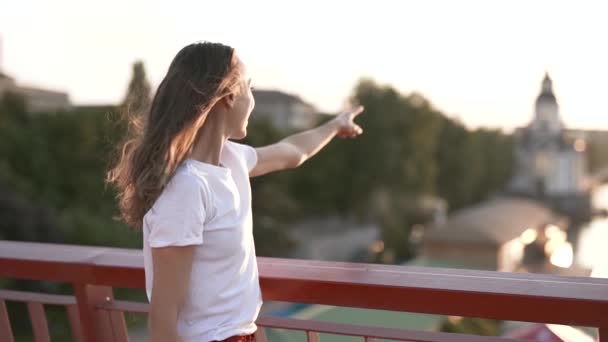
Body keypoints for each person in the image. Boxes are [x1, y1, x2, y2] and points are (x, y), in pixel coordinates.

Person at [107, 41, 364, 342]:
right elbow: (163, 319)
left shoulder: (233, 160)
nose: (252, 100)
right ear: (229, 95)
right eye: (249, 87)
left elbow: (293, 151)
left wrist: (335, 125)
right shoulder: (187, 188)